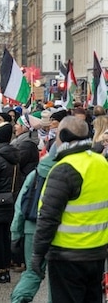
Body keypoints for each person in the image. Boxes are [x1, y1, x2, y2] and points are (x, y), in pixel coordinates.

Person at [31, 116, 108, 303]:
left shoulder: (64, 169)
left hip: (67, 255)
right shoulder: (101, 163)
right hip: (97, 252)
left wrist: (37, 253)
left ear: (64, 136)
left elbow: (48, 217)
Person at [10, 143, 57, 303]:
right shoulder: (69, 173)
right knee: (56, 275)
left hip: (32, 228)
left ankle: (19, 299)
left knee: (33, 271)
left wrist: (15, 233)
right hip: (60, 230)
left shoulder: (35, 173)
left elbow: (20, 206)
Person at [0, 122, 20, 283]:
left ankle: (0, 270)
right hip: (11, 199)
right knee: (5, 236)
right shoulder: (14, 155)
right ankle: (5, 269)